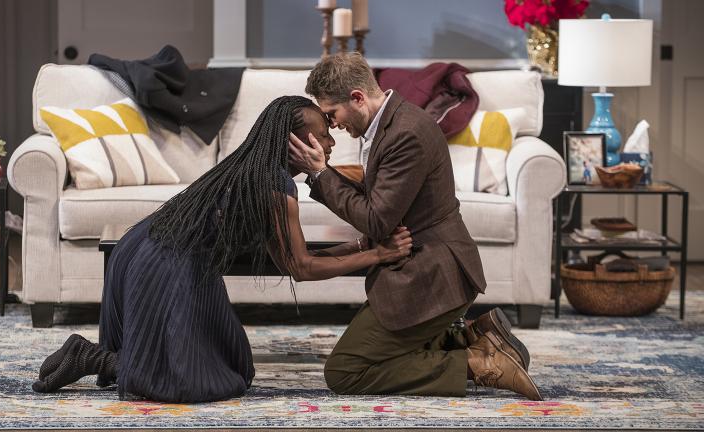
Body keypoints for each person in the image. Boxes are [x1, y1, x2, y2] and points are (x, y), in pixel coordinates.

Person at [32, 96, 414, 403]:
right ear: (294, 143)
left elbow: (288, 258)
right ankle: (93, 357)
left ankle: (116, 359)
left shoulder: (250, 168)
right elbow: (301, 267)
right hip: (169, 265)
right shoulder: (276, 184)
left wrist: (359, 245)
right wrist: (378, 255)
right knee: (202, 383)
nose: (331, 142)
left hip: (142, 247)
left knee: (236, 365)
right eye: (322, 136)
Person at [288, 53, 542, 400]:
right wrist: (324, 175)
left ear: (358, 98)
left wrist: (318, 173)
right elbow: (377, 201)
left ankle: (479, 361)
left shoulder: (405, 133)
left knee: (346, 370)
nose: (332, 125)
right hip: (425, 271)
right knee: (376, 354)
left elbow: (377, 219)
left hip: (431, 277)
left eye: (333, 114)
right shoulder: (389, 124)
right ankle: (471, 337)